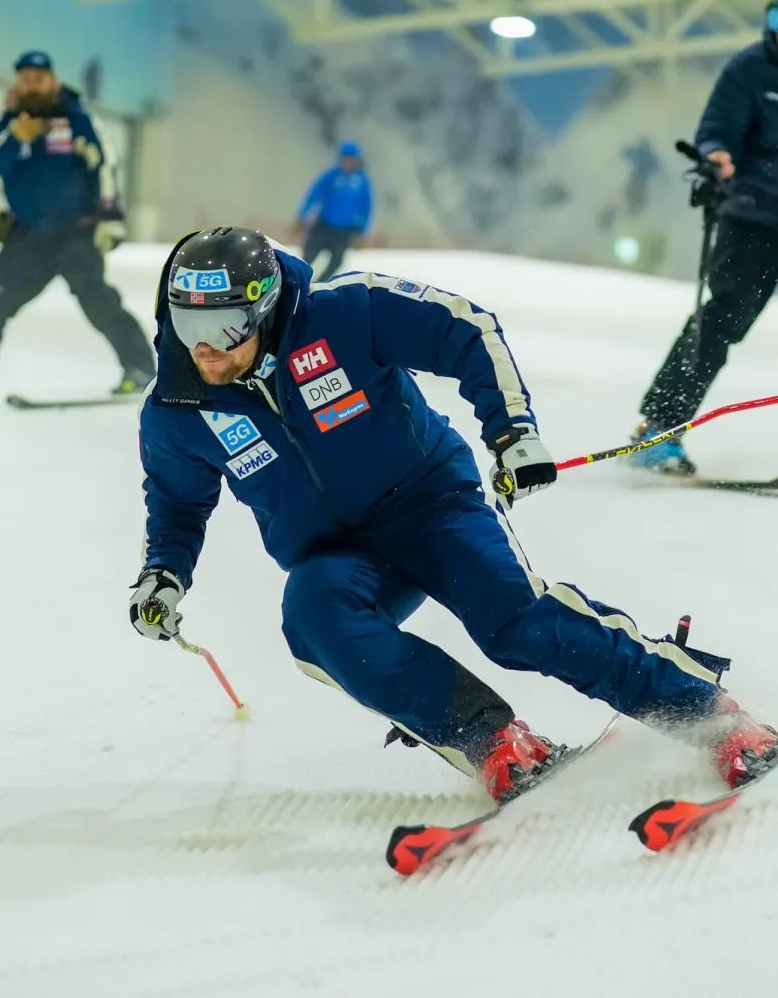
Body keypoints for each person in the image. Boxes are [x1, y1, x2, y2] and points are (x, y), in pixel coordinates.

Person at [130, 226, 776, 802]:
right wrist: (163, 570)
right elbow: (177, 501)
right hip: (334, 554)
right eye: (187, 328)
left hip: (428, 504)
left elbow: (465, 329)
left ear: (265, 311)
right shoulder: (178, 406)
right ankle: (491, 739)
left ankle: (708, 712)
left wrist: (511, 432)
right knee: (314, 622)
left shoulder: (344, 312)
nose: (203, 351)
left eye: (222, 329)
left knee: (513, 623)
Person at [0, 51, 155, 406]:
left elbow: (105, 163)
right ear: (18, 82)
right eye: (26, 77)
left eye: (40, 76)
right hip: (27, 237)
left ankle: (140, 371)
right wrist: (16, 137)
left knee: (98, 301)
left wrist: (110, 219)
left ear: (53, 80)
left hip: (76, 234)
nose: (33, 83)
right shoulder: (10, 122)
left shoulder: (77, 118)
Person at [631, 0, 778, 474]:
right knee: (722, 319)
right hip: (753, 217)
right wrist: (717, 156)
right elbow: (717, 128)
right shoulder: (751, 68)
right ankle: (659, 428)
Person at [293, 141, 373, 282]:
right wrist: (302, 216)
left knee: (337, 261)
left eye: (350, 159)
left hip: (343, 231)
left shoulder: (362, 181)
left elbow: (366, 208)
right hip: (324, 225)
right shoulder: (331, 176)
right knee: (308, 257)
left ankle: (319, 285)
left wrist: (362, 231)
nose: (347, 162)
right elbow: (313, 195)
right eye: (344, 158)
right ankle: (296, 280)